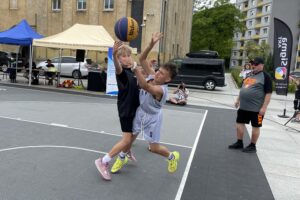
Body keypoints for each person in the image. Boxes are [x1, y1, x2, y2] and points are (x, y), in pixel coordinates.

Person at [131, 32, 180, 173]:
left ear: (168, 80)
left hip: (152, 118)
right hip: (141, 112)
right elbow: (142, 58)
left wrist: (136, 70)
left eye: (162, 74)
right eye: (159, 70)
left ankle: (171, 157)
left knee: (154, 148)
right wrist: (151, 44)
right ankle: (122, 156)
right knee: (129, 138)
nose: (158, 73)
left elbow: (145, 87)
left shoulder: (160, 90)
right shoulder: (154, 75)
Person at [95, 42, 140, 181]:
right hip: (126, 110)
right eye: (124, 56)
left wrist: (139, 66)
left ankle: (126, 150)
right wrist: (114, 54)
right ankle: (103, 161)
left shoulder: (133, 72)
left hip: (135, 108)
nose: (127, 58)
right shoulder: (121, 73)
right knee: (126, 139)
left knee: (135, 132)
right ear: (120, 59)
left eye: (129, 55)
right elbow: (117, 67)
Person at [229, 57, 272, 153]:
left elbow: (268, 93)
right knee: (239, 123)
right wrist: (237, 100)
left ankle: (253, 146)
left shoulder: (266, 77)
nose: (253, 66)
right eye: (252, 64)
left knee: (256, 126)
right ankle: (239, 142)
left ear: (262, 65)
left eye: (256, 64)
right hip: (243, 107)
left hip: (257, 109)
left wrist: (264, 107)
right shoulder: (249, 74)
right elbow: (243, 88)